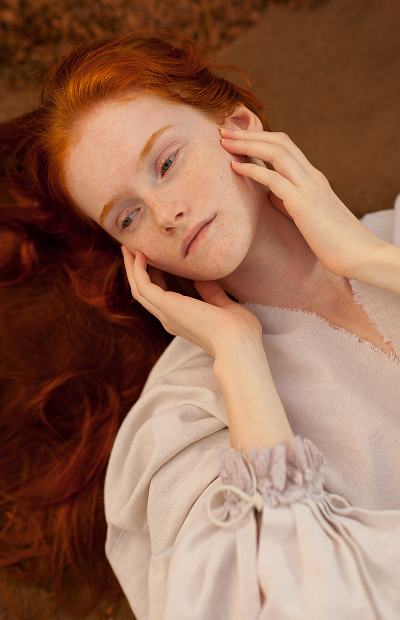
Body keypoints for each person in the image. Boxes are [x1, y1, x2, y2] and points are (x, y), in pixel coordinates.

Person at [1, 30, 399, 618]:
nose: (166, 214)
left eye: (167, 163)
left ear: (238, 126)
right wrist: (238, 357)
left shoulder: (392, 241)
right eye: (128, 216)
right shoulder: (184, 423)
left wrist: (370, 259)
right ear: (129, 254)